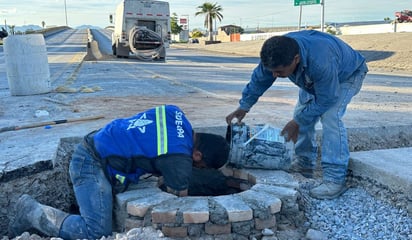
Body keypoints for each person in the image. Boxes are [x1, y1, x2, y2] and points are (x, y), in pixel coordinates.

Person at [9, 105, 230, 239]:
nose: (194, 169)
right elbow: (180, 203)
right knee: (95, 231)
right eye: (199, 167)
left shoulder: (176, 114)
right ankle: (31, 210)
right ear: (198, 156)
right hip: (91, 163)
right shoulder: (179, 159)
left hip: (99, 142)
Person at [226, 30, 368, 200]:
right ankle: (304, 165)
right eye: (272, 71)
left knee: (330, 117)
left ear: (296, 59)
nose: (274, 75)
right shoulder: (276, 53)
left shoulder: (320, 61)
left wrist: (297, 122)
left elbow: (327, 99)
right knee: (301, 114)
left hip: (346, 75)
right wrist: (244, 106)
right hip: (314, 78)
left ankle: (334, 179)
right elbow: (260, 79)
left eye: (279, 72)